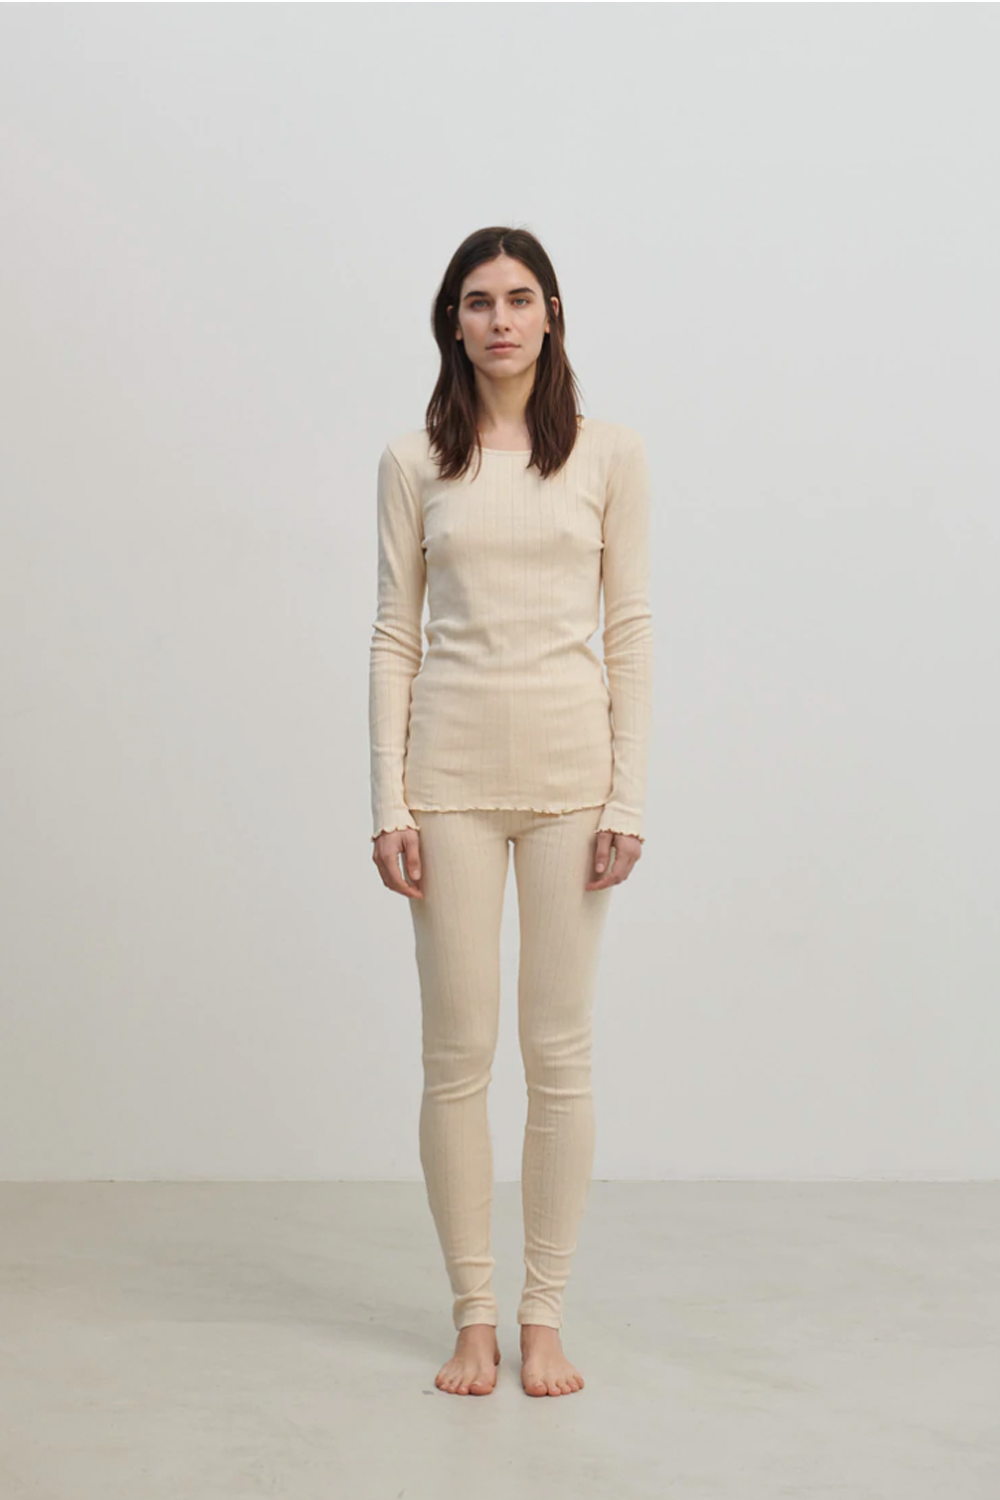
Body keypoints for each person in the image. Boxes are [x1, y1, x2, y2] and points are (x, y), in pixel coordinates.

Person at [368, 226, 653, 1397]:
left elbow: (628, 629)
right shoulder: (413, 462)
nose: (499, 319)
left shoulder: (607, 454)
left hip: (571, 785)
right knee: (456, 1057)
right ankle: (473, 1317)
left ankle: (543, 1318)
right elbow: (395, 635)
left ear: (551, 314)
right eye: (478, 301)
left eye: (519, 298)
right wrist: (386, 799)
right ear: (454, 320)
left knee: (558, 1055)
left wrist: (627, 794)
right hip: (447, 786)